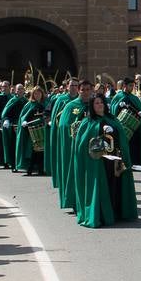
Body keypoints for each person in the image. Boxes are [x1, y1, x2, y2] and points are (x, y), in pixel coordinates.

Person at [72, 93, 138, 228]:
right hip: (98, 162)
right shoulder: (87, 123)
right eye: (96, 103)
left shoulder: (112, 119)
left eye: (101, 102)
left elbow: (122, 138)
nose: (99, 105)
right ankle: (101, 215)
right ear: (92, 106)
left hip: (114, 159)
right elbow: (83, 145)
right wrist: (99, 138)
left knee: (115, 185)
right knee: (102, 187)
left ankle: (115, 213)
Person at [55, 81, 94, 211]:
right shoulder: (71, 106)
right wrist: (77, 128)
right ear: (78, 90)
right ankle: (74, 201)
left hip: (92, 146)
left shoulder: (96, 104)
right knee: (74, 172)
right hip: (75, 145)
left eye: (88, 89)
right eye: (83, 89)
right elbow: (63, 125)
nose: (86, 92)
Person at [15, 85, 48, 176]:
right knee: (33, 150)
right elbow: (24, 116)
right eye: (35, 94)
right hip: (32, 130)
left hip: (43, 129)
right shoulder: (29, 104)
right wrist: (24, 121)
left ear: (42, 94)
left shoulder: (46, 103)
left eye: (39, 93)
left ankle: (41, 169)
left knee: (42, 151)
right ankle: (29, 169)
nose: (37, 95)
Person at [0, 83, 26, 170]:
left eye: (22, 89)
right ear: (15, 90)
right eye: (18, 89)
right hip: (13, 126)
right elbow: (5, 112)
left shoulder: (26, 101)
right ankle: (13, 165)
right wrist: (6, 119)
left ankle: (22, 163)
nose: (20, 90)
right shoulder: (12, 100)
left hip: (22, 126)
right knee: (13, 145)